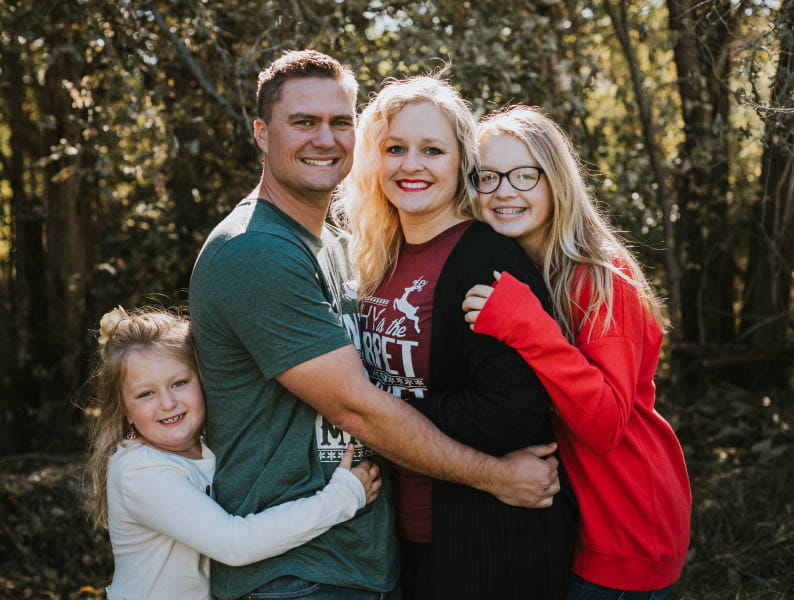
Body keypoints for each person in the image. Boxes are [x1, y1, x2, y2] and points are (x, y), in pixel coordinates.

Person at [189, 50, 562, 600]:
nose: (325, 139)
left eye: (340, 122)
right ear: (262, 134)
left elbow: (513, 401)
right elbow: (358, 407)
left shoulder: (342, 249)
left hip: (368, 556)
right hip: (294, 571)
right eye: (303, 122)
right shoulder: (256, 251)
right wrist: (499, 476)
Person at [341, 77, 576, 600]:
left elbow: (514, 410)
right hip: (397, 536)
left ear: (461, 163)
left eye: (432, 150)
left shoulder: (487, 260)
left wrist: (387, 420)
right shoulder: (377, 258)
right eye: (395, 149)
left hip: (489, 538)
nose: (411, 165)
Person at [463, 106, 692, 599]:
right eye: (488, 177)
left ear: (557, 181)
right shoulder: (525, 268)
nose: (504, 191)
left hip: (627, 524)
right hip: (573, 517)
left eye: (525, 175)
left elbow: (605, 423)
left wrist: (525, 324)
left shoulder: (601, 277)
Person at [85, 306, 382, 600]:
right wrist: (342, 497)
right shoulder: (140, 471)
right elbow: (233, 544)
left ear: (204, 381)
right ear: (125, 410)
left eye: (179, 383)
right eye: (146, 394)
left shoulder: (207, 447)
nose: (168, 403)